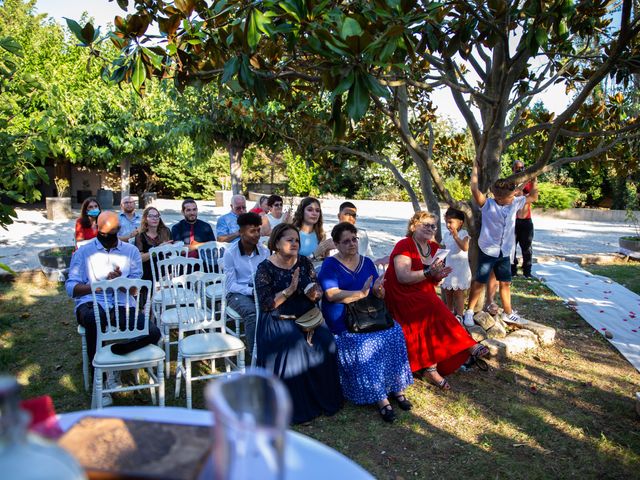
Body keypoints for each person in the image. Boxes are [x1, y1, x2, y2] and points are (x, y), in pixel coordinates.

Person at [318, 222, 413, 423]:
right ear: (336, 244)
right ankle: (380, 398)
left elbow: (378, 293)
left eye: (354, 239)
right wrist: (359, 294)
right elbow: (331, 294)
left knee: (395, 333)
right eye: (346, 241)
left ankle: (397, 387)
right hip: (343, 319)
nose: (352, 244)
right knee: (364, 344)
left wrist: (379, 290)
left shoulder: (367, 262)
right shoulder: (330, 265)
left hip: (369, 315)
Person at [65, 211, 162, 406]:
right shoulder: (84, 252)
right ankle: (99, 380)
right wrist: (99, 286)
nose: (108, 238)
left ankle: (117, 355)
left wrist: (121, 281)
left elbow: (135, 290)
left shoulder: (130, 252)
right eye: (104, 233)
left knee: (153, 332)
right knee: (95, 319)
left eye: (113, 232)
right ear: (97, 230)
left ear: (118, 230)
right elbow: (71, 288)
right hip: (92, 301)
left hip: (121, 303)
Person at [384, 211, 487, 390]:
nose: (431, 228)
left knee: (432, 305)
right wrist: (428, 273)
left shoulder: (433, 247)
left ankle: (431, 369)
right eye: (426, 224)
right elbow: (402, 277)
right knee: (434, 305)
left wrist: (436, 276)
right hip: (399, 294)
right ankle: (467, 344)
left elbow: (431, 280)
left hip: (421, 293)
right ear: (413, 226)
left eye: (433, 226)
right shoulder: (404, 244)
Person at [254, 223, 343, 424]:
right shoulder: (265, 267)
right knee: (295, 347)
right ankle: (296, 407)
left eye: (297, 240)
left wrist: (315, 293)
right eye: (289, 240)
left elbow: (316, 289)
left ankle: (323, 399)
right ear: (277, 242)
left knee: (327, 342)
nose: (295, 243)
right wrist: (289, 290)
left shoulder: (303, 262)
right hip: (278, 318)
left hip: (307, 315)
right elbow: (267, 304)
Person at [463, 162, 539, 326]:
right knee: (479, 281)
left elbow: (533, 196)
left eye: (512, 197)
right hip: (488, 250)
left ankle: (508, 312)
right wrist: (475, 169)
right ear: (497, 197)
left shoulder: (515, 202)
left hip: (505, 252)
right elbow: (475, 189)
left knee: (505, 282)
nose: (512, 199)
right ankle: (469, 311)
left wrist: (534, 179)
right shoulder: (488, 204)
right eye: (508, 198)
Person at [223, 212, 269, 358]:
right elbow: (231, 285)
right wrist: (251, 291)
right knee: (252, 313)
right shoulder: (230, 253)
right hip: (236, 293)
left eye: (258, 230)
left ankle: (272, 348)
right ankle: (255, 354)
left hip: (258, 290)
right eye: (252, 231)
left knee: (274, 308)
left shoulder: (264, 251)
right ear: (241, 232)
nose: (257, 235)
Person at [441, 207, 472, 324]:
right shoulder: (446, 235)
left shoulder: (464, 233)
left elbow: (465, 248)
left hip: (460, 270)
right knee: (448, 291)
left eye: (450, 222)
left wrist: (456, 237)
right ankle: (450, 310)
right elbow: (444, 249)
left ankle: (460, 315)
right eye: (446, 222)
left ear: (460, 222)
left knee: (458, 293)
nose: (448, 225)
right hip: (449, 268)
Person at [134, 206, 173, 283]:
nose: (154, 218)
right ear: (145, 218)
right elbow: (140, 258)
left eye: (156, 216)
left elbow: (171, 251)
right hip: (148, 268)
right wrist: (157, 249)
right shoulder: (140, 235)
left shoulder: (165, 231)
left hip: (165, 267)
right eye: (151, 216)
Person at [511, 160, 536, 278]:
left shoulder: (529, 183)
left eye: (522, 168)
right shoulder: (510, 183)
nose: (520, 170)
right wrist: (526, 180)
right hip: (514, 220)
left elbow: (534, 196)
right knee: (512, 247)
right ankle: (512, 271)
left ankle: (527, 272)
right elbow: (516, 193)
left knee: (527, 248)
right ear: (513, 170)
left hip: (526, 219)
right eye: (517, 168)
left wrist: (533, 181)